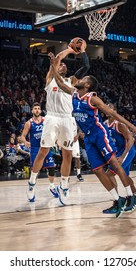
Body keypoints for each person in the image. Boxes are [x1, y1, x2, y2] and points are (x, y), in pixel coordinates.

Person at [51, 64, 136, 217]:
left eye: (84, 79)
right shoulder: (74, 93)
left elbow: (113, 113)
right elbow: (59, 83)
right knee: (97, 170)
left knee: (114, 163)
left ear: (87, 85)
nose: (80, 79)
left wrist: (133, 127)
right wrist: (53, 65)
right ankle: (116, 200)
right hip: (87, 136)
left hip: (99, 133)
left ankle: (130, 197)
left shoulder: (93, 98)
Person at [27, 40, 90, 202]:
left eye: (65, 66)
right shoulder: (50, 79)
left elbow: (86, 66)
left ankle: (63, 186)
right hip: (52, 117)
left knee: (67, 155)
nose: (63, 66)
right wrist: (68, 51)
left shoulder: (71, 81)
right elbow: (56, 61)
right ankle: (32, 183)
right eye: (61, 65)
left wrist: (81, 50)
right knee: (43, 151)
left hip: (67, 119)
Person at [104, 103, 136, 213]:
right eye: (106, 108)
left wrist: (122, 157)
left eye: (110, 109)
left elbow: (130, 140)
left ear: (115, 111)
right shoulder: (104, 124)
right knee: (124, 176)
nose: (107, 110)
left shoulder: (119, 124)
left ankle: (117, 202)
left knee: (109, 174)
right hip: (118, 152)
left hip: (127, 151)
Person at [21, 102, 59, 202]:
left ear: (41, 110)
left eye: (38, 108)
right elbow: (22, 136)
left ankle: (51, 186)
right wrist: (25, 141)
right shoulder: (29, 123)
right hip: (35, 148)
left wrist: (55, 139)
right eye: (35, 108)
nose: (37, 110)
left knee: (51, 167)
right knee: (35, 170)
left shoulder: (45, 120)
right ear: (32, 111)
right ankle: (31, 188)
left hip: (46, 146)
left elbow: (53, 130)